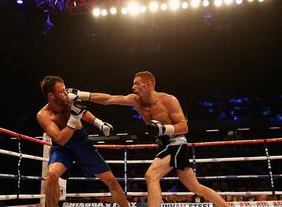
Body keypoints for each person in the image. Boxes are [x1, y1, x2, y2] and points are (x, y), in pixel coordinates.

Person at [71, 71, 230, 207]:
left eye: (137, 84)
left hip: (176, 143)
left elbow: (184, 127)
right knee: (196, 187)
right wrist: (83, 95)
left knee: (151, 176)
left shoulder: (169, 100)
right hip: (163, 145)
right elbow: (108, 99)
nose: (133, 87)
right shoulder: (135, 100)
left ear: (149, 84)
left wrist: (164, 129)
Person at [36, 75, 129, 207]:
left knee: (111, 180)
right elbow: (60, 140)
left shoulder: (69, 98)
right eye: (61, 91)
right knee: (51, 175)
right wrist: (74, 119)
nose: (65, 93)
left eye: (64, 89)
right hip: (62, 148)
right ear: (51, 95)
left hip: (82, 143)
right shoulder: (44, 115)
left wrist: (100, 124)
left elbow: (83, 112)